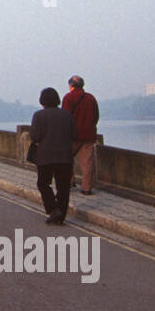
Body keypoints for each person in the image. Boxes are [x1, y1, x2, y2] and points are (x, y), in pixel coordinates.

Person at [30, 88, 76, 225]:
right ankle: (61, 215)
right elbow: (74, 134)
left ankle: (53, 209)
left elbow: (35, 136)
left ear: (42, 101)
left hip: (45, 157)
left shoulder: (38, 115)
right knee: (63, 187)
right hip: (65, 156)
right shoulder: (67, 115)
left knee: (43, 184)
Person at [62, 75, 100, 195]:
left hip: (72, 136)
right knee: (87, 163)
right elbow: (96, 116)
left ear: (71, 85)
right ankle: (87, 188)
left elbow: (65, 117)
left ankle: (69, 182)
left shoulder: (68, 98)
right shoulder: (90, 98)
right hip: (88, 135)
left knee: (66, 159)